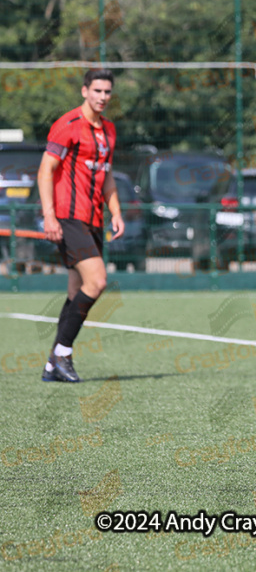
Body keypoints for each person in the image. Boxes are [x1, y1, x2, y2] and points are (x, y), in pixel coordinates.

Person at [37, 69, 124, 383]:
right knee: (97, 281)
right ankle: (63, 353)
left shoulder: (109, 130)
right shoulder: (68, 125)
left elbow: (108, 175)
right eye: (97, 91)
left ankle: (52, 365)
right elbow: (46, 170)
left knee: (77, 292)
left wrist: (115, 211)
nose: (102, 97)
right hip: (68, 217)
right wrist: (49, 215)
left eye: (107, 92)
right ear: (85, 91)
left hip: (94, 220)